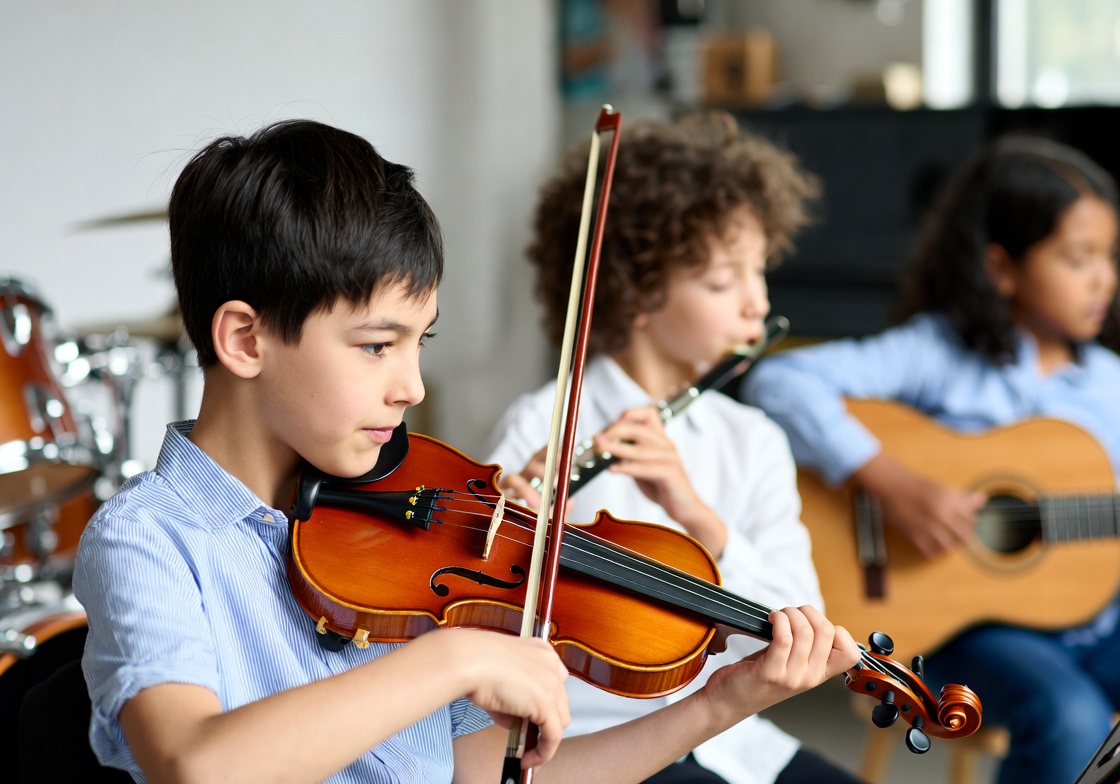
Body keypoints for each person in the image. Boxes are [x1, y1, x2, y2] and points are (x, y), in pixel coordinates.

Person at [71, 119, 859, 784]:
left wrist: (715, 706)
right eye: (378, 346)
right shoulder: (147, 541)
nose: (411, 385)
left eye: (420, 342)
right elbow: (195, 765)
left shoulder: (403, 542)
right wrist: (448, 661)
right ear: (246, 339)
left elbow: (495, 776)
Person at [742, 135, 1120, 784]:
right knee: (1068, 716)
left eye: (1110, 256)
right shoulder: (939, 354)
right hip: (967, 631)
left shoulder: (1117, 390)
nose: (1104, 277)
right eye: (1078, 258)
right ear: (1001, 268)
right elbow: (782, 381)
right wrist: (891, 482)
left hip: (1100, 627)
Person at [486, 113, 865, 784]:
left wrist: (697, 517)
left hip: (736, 741)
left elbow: (806, 631)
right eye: (724, 283)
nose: (759, 304)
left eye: (759, 272)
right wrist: (519, 544)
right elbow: (482, 632)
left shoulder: (751, 440)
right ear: (636, 294)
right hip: (593, 744)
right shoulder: (540, 425)